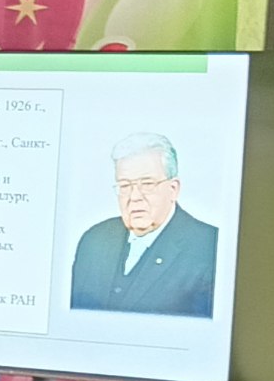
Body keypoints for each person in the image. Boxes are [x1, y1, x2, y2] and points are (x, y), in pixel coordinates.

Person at [67, 131, 220, 318]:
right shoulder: (94, 240)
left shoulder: (210, 248)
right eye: (125, 186)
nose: (134, 197)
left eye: (147, 184)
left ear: (173, 189)